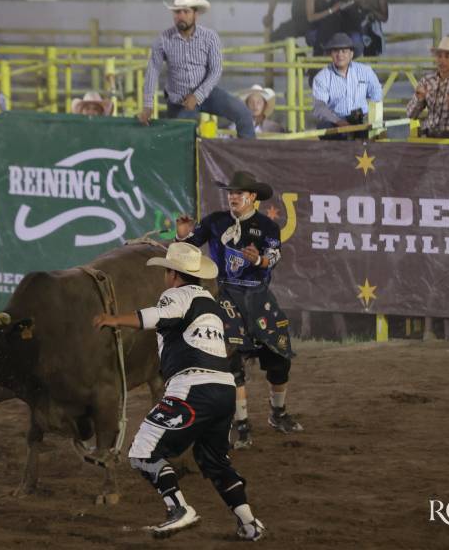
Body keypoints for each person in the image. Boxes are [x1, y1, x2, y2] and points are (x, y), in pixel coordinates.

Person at [93, 242, 266, 541]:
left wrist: (114, 319)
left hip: (193, 387)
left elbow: (155, 317)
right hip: (224, 389)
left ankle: (179, 508)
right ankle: (249, 523)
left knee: (143, 451)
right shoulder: (209, 302)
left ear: (173, 274)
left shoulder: (177, 295)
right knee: (214, 461)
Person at [175, 171, 300, 450]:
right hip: (226, 296)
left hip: (258, 296)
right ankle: (241, 425)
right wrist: (182, 236)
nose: (232, 196)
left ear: (252, 197)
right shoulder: (214, 221)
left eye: (238, 193)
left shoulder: (268, 226)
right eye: (230, 192)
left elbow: (274, 256)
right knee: (231, 362)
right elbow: (187, 248)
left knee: (280, 360)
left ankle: (278, 413)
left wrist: (259, 260)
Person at [139, 0, 256, 139]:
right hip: (179, 100)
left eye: (186, 12)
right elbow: (152, 71)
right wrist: (148, 105)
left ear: (196, 14)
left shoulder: (210, 37)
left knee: (243, 113)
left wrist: (197, 95)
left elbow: (216, 70)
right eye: (177, 12)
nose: (181, 16)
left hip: (207, 93)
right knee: (182, 137)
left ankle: (248, 152)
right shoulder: (163, 39)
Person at [311, 33, 382, 138]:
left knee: (376, 128)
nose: (340, 55)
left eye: (344, 51)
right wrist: (338, 121)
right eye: (336, 51)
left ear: (351, 54)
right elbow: (319, 107)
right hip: (336, 121)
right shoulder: (321, 77)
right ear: (331, 54)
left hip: (363, 120)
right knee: (323, 127)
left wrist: (369, 116)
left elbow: (377, 94)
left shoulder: (366, 71)